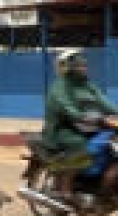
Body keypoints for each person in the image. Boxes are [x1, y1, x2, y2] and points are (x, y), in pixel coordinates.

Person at [42, 49, 118, 202]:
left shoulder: (88, 86)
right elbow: (67, 108)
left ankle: (98, 181)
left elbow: (105, 103)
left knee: (108, 142)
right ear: (68, 68)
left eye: (84, 66)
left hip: (87, 127)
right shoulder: (59, 87)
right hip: (62, 130)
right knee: (81, 146)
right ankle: (65, 186)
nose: (84, 69)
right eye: (79, 66)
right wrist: (90, 118)